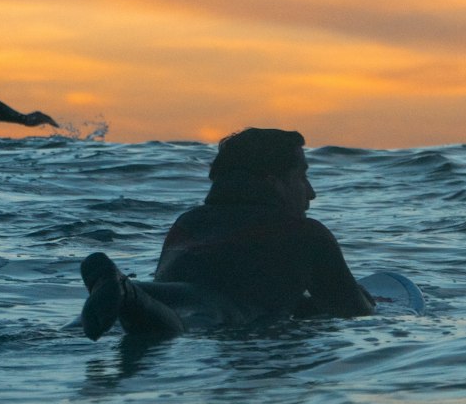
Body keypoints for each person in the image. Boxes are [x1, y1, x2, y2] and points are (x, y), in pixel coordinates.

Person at [79, 127, 374, 339]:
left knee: (139, 313)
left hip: (159, 294)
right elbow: (354, 312)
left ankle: (125, 288)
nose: (311, 193)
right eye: (301, 176)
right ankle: (127, 291)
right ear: (273, 182)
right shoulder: (304, 233)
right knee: (176, 328)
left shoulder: (188, 223)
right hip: (216, 310)